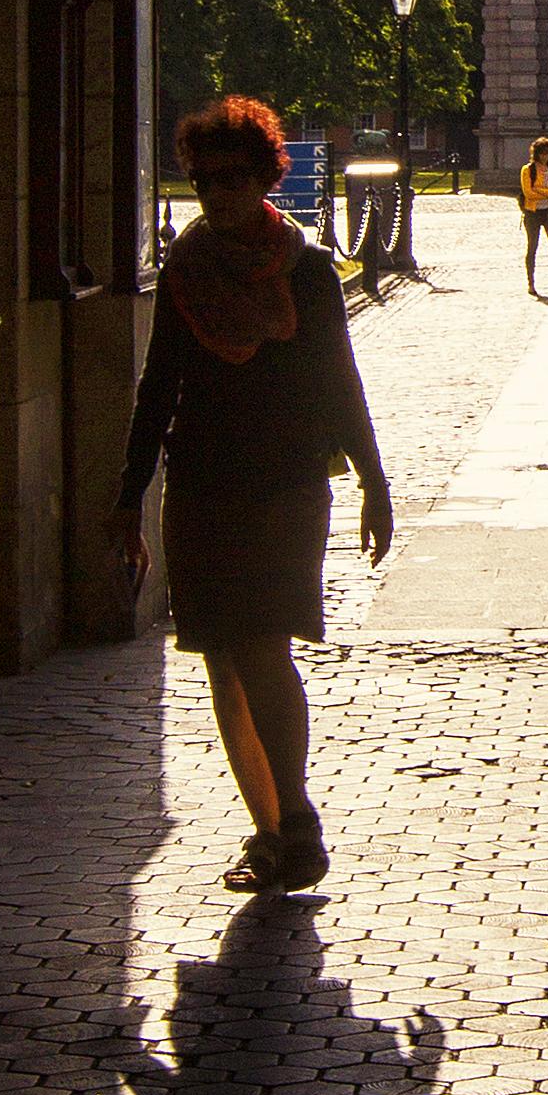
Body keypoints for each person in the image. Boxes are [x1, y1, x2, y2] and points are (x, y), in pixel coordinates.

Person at [112, 95, 392, 893]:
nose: (217, 194)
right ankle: (269, 831)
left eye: (233, 178)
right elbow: (156, 386)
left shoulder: (304, 270)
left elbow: (341, 383)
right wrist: (128, 496)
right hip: (200, 482)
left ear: (266, 175)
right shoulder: (187, 268)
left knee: (262, 645)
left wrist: (375, 484)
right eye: (203, 181)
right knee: (220, 659)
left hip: (285, 483)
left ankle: (295, 821)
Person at [519, 129, 548, 298]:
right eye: (541, 154)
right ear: (536, 154)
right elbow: (528, 193)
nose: (544, 157)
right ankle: (531, 282)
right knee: (532, 247)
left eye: (546, 154)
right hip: (533, 213)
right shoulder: (528, 170)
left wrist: (542, 191)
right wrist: (547, 191)